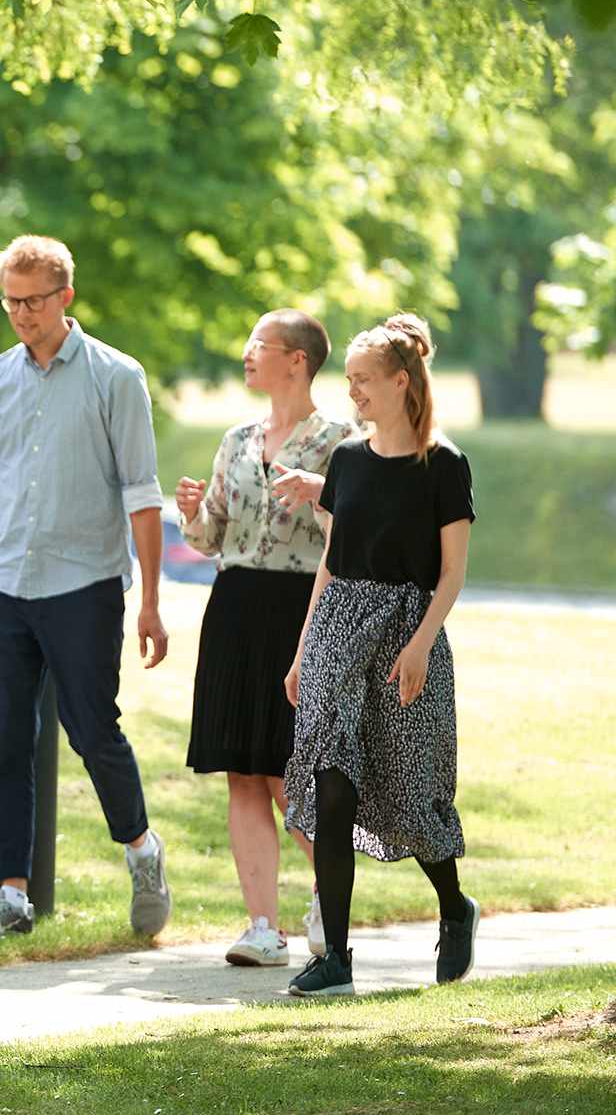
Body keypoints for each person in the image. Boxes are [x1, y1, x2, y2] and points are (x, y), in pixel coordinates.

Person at [0, 235, 173, 940]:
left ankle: (142, 850)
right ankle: (11, 894)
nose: (21, 313)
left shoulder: (117, 377)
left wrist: (148, 601)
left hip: (85, 582)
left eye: (33, 300)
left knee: (91, 729)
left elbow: (143, 493)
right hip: (6, 584)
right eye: (11, 300)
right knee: (3, 740)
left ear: (65, 297)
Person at [279, 313, 476, 997]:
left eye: (364, 380)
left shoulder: (442, 464)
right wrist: (306, 649)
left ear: (402, 381)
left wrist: (421, 643)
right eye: (350, 379)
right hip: (339, 629)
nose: (353, 391)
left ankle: (454, 909)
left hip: (406, 633)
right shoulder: (348, 461)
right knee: (333, 786)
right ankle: (334, 956)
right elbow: (331, 564)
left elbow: (452, 571)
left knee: (414, 794)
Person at [177, 311, 353, 968]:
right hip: (235, 607)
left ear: (298, 360)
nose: (246, 355)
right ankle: (262, 927)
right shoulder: (237, 437)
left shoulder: (341, 440)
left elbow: (360, 532)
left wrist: (322, 494)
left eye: (260, 346)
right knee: (242, 771)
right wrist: (192, 512)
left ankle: (329, 898)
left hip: (300, 608)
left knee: (289, 772)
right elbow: (209, 538)